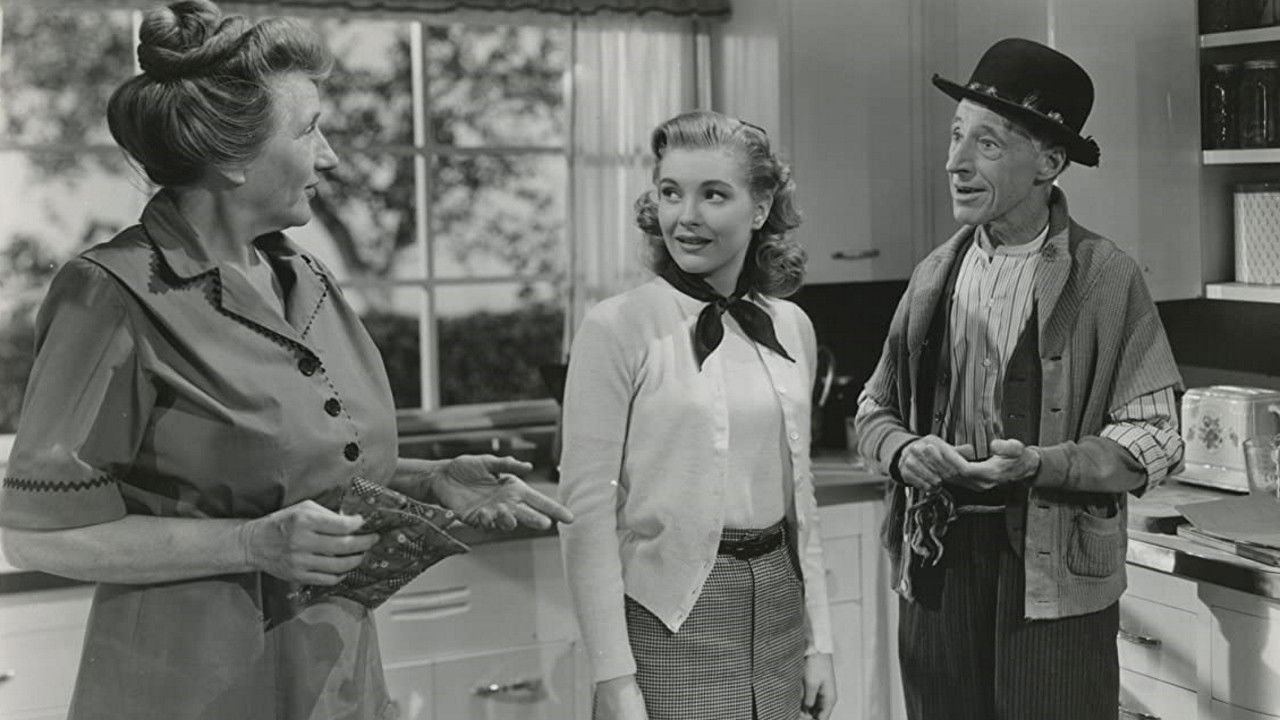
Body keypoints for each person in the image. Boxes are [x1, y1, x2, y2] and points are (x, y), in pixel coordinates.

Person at [0, 2, 571, 719]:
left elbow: (293, 465)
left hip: (337, 681)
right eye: (308, 131)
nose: (330, 155)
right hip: (189, 690)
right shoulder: (112, 293)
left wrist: (429, 483)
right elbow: (34, 535)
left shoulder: (307, 281)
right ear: (234, 158)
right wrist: (247, 544)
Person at [854, 38, 1185, 720]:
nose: (955, 162)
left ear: (1051, 161)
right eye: (954, 138)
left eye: (988, 145)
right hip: (937, 564)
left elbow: (1155, 438)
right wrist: (902, 450)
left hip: (1052, 575)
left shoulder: (1104, 276)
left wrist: (1042, 462)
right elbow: (873, 409)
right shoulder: (931, 277)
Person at [558, 110, 837, 720]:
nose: (686, 217)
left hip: (779, 608)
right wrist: (612, 677)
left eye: (714, 195)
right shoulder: (617, 327)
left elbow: (802, 497)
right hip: (671, 617)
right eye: (670, 192)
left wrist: (821, 643)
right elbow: (585, 515)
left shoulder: (791, 326)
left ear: (760, 208)